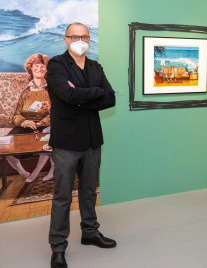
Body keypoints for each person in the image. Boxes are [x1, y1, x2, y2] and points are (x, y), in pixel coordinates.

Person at [46, 22, 116, 268]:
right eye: (74, 36)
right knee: (62, 196)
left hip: (92, 141)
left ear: (89, 39)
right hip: (66, 142)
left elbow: (110, 98)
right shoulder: (56, 65)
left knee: (89, 192)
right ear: (65, 40)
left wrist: (82, 96)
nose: (80, 40)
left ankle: (90, 233)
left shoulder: (95, 66)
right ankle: (58, 245)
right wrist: (93, 93)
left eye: (84, 36)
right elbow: (66, 95)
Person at [7, 53, 54, 182]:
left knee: (48, 139)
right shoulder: (25, 92)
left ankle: (44, 170)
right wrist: (25, 122)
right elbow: (16, 116)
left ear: (47, 69)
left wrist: (41, 123)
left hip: (45, 125)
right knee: (7, 143)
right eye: (36, 65)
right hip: (26, 125)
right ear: (31, 68)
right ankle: (22, 172)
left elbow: (57, 113)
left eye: (43, 66)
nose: (39, 68)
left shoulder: (52, 90)